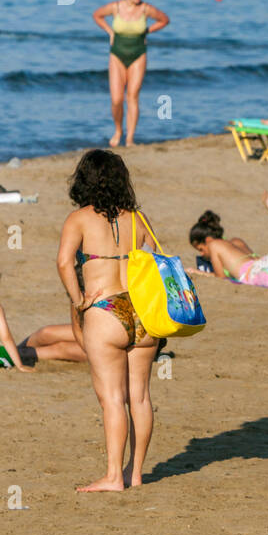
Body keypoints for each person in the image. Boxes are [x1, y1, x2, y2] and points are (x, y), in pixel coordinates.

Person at [55, 149, 162, 491]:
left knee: (112, 399)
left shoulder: (79, 218)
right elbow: (157, 259)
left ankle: (115, 476)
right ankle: (136, 473)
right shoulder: (138, 219)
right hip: (142, 312)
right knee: (140, 397)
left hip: (105, 310)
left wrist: (78, 300)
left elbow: (63, 263)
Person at [91, 0, 170, 148]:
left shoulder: (146, 9)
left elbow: (164, 20)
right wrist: (110, 32)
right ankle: (118, 130)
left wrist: (147, 31)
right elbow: (97, 15)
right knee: (117, 99)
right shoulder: (115, 7)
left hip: (138, 55)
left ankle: (130, 138)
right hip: (117, 55)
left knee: (132, 96)